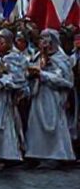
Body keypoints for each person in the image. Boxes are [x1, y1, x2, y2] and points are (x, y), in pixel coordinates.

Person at [24, 29, 76, 165]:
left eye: (47, 39)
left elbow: (66, 81)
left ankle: (60, 154)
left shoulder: (61, 59)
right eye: (41, 39)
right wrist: (31, 75)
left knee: (56, 125)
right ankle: (34, 154)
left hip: (53, 96)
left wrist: (43, 75)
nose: (44, 42)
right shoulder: (36, 57)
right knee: (35, 124)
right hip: (38, 94)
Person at [0, 29, 27, 165]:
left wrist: (5, 81)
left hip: (8, 98)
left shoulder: (17, 58)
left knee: (7, 124)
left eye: (1, 41)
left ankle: (9, 154)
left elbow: (20, 78)